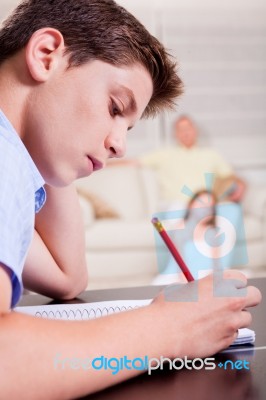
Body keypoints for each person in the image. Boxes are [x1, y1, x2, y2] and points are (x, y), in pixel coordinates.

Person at [0, 1, 261, 398]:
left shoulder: (15, 164)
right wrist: (172, 329)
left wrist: (53, 144)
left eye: (129, 127)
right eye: (115, 108)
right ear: (46, 54)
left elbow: (68, 277)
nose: (119, 144)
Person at [140, 115, 246, 207]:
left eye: (188, 128)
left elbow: (231, 176)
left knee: (223, 210)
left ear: (195, 130)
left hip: (206, 206)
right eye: (180, 129)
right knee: (178, 209)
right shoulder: (163, 155)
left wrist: (241, 184)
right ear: (175, 134)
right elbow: (133, 162)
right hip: (177, 205)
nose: (185, 132)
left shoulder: (211, 154)